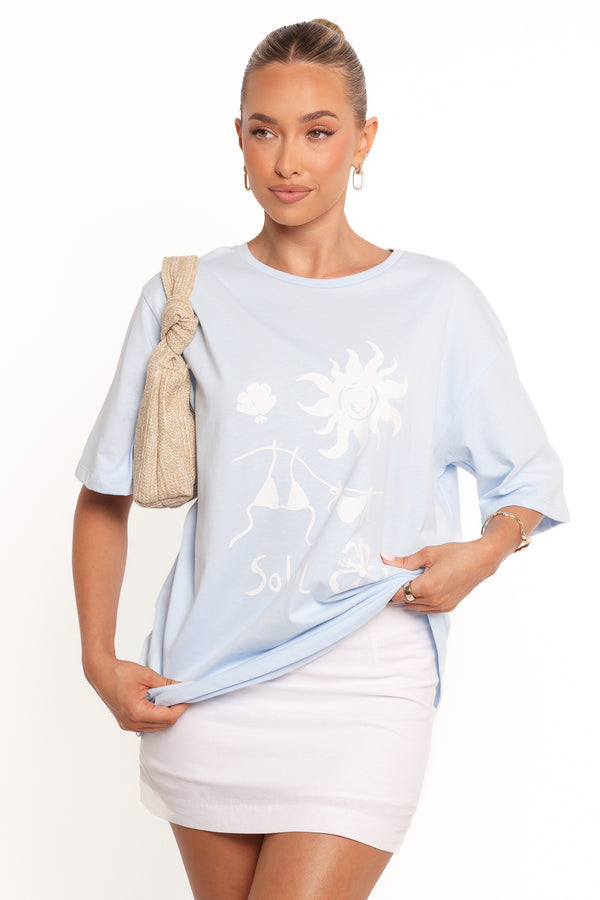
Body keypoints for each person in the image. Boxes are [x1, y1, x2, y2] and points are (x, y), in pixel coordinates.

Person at [71, 17, 569, 900]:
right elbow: (105, 492)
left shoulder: (436, 301)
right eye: (265, 131)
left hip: (367, 676)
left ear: (363, 140)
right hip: (207, 679)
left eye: (318, 131)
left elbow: (528, 477)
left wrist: (486, 553)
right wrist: (98, 659)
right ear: (239, 138)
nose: (288, 160)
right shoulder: (187, 297)